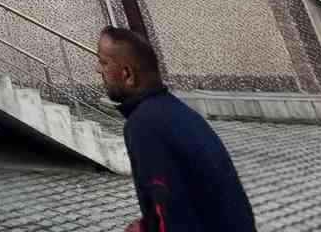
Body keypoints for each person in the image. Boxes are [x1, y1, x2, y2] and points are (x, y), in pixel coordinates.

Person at [96, 26, 256, 232]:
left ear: (128, 75)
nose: (98, 70)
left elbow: (170, 211)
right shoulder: (172, 111)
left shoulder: (144, 125)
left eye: (104, 62)